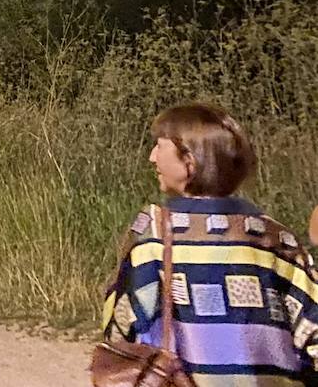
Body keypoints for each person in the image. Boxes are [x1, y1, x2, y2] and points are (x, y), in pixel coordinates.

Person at [102, 103, 318, 385]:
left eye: (159, 146)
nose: (151, 157)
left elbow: (121, 325)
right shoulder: (277, 239)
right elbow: (311, 327)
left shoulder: (156, 235)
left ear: (190, 159)